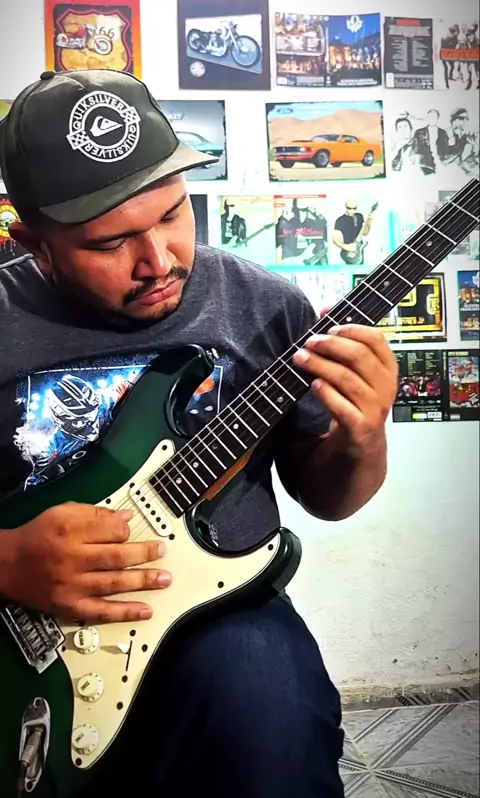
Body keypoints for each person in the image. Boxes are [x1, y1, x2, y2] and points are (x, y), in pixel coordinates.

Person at [0, 69, 398, 798]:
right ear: (34, 244)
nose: (158, 261)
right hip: (24, 645)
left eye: (173, 213)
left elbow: (330, 498)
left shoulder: (263, 304)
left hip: (222, 617)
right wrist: (6, 560)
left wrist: (362, 435)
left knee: (274, 719)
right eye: (110, 242)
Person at [332, 197, 375, 264]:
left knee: (360, 268)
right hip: (348, 252)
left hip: (359, 250)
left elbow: (365, 233)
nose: (352, 210)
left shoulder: (360, 216)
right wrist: (346, 247)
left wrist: (369, 222)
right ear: (346, 207)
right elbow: (335, 239)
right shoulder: (340, 220)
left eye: (354, 208)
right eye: (349, 208)